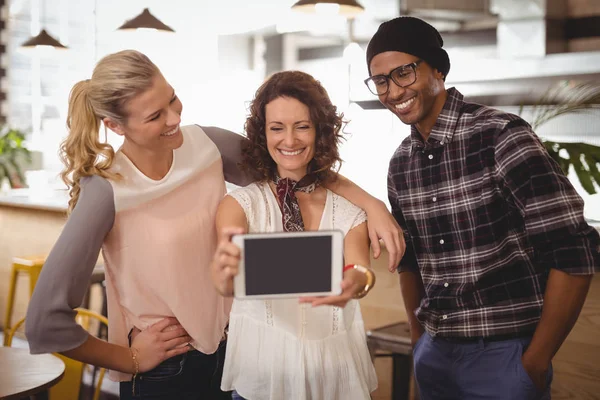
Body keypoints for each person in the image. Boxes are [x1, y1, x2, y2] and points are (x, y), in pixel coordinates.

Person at [25, 50, 403, 399]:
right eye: (155, 116)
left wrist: (373, 205)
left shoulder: (208, 145)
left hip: (235, 356)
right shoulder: (106, 189)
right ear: (115, 125)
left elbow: (296, 166)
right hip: (167, 373)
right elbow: (45, 321)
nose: (174, 118)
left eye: (171, 99)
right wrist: (130, 360)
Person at [363, 16, 600, 400]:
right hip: (435, 356)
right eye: (381, 80)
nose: (393, 90)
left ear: (437, 68)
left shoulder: (501, 136)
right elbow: (411, 261)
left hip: (506, 358)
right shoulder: (401, 162)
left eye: (404, 72)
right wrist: (418, 336)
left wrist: (536, 361)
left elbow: (574, 250)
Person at [211, 70, 379, 400]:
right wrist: (222, 274)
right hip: (261, 378)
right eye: (277, 128)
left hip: (331, 373)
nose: (290, 140)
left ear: (320, 131)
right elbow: (227, 282)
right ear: (263, 134)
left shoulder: (347, 210)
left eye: (302, 126)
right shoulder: (240, 205)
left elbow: (360, 268)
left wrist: (355, 283)